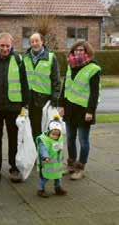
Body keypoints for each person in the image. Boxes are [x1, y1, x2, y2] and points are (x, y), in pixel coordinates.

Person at [0, 32, 29, 182]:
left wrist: (25, 106)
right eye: (2, 45)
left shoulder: (18, 60)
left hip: (13, 107)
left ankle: (14, 168)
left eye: (7, 46)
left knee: (13, 138)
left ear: (12, 46)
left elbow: (24, 84)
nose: (4, 49)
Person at [59, 41, 101, 180]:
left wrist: (91, 111)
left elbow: (95, 93)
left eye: (81, 50)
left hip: (84, 111)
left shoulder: (93, 68)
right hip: (70, 109)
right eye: (76, 50)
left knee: (83, 141)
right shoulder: (70, 65)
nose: (78, 52)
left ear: (86, 51)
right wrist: (61, 106)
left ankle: (80, 168)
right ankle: (71, 164)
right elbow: (65, 87)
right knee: (70, 138)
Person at [22, 33, 61, 140]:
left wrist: (55, 98)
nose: (34, 43)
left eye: (37, 41)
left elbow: (56, 80)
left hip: (45, 100)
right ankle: (35, 152)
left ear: (42, 42)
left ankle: (44, 153)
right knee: (32, 128)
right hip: (29, 99)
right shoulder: (25, 58)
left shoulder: (51, 57)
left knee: (45, 129)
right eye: (32, 41)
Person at [36, 116, 67, 198]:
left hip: (57, 164)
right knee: (45, 177)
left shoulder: (59, 139)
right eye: (53, 134)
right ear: (49, 131)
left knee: (58, 176)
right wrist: (46, 157)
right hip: (47, 163)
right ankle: (41, 189)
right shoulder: (44, 140)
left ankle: (58, 188)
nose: (55, 137)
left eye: (57, 135)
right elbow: (43, 150)